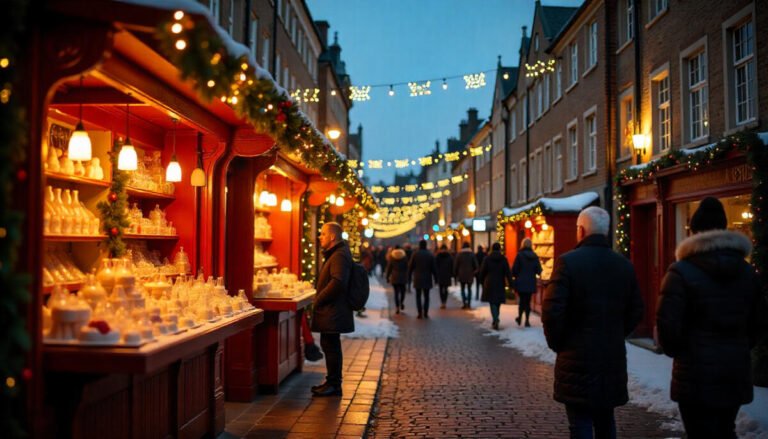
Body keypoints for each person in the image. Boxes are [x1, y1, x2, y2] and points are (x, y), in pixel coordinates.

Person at [656, 197, 768, 438]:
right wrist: (739, 346)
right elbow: (759, 322)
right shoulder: (747, 273)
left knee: (698, 431)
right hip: (734, 369)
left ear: (694, 231)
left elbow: (668, 324)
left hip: (694, 372)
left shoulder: (680, 271)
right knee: (726, 428)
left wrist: (681, 351)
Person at [542, 206, 643, 439]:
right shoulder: (623, 265)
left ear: (581, 230)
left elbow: (552, 310)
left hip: (576, 356)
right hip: (611, 355)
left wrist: (560, 343)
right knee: (606, 419)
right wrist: (616, 333)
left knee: (580, 421)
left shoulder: (568, 262)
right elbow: (636, 309)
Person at [310, 222, 354, 397]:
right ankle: (331, 382)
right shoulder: (337, 253)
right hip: (332, 309)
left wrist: (319, 298)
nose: (319, 236)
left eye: (322, 234)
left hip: (333, 310)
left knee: (331, 346)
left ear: (333, 237)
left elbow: (338, 281)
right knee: (329, 344)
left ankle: (334, 384)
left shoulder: (339, 255)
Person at [478, 242, 514, 330]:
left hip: (489, 282)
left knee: (492, 301)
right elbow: (508, 272)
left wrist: (481, 280)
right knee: (497, 302)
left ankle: (495, 319)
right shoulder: (503, 259)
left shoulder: (487, 259)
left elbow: (482, 271)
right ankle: (496, 318)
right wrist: (511, 283)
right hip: (500, 282)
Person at [512, 238, 542, 327]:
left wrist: (515, 276)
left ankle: (520, 317)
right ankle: (527, 320)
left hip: (521, 281)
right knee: (528, 301)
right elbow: (539, 270)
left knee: (522, 301)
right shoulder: (535, 256)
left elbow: (515, 269)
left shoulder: (520, 255)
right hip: (530, 282)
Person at [408, 239, 436, 319]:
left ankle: (419, 313)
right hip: (427, 278)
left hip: (418, 278)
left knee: (418, 296)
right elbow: (433, 268)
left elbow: (410, 267)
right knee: (426, 296)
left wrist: (409, 276)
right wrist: (436, 278)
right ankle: (426, 312)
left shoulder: (415, 254)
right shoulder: (430, 254)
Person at [385, 244, 409, 314]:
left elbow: (389, 268)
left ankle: (397, 307)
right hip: (403, 277)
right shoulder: (404, 257)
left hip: (394, 277)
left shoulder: (392, 257)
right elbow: (407, 267)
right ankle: (401, 302)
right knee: (403, 291)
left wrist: (387, 277)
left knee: (396, 293)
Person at [454, 242, 478, 309]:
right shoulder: (472, 254)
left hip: (461, 274)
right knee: (469, 289)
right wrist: (474, 272)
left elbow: (456, 265)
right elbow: (476, 265)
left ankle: (464, 303)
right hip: (470, 274)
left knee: (462, 289)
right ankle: (469, 303)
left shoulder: (459, 255)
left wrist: (455, 274)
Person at [435, 244, 454, 309]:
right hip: (443, 275)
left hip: (444, 275)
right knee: (441, 289)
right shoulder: (448, 257)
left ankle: (444, 302)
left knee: (445, 289)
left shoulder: (439, 256)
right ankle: (443, 302)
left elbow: (452, 266)